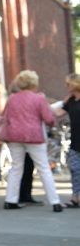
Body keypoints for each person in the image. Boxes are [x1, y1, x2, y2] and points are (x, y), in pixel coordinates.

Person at [2, 70, 63, 212]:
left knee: (16, 167)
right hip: (34, 137)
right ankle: (55, 202)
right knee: (43, 168)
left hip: (14, 136)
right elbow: (48, 119)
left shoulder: (11, 98)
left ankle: (10, 200)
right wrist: (52, 122)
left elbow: (6, 117)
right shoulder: (39, 99)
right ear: (34, 83)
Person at [8, 82, 40, 205]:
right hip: (27, 137)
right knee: (22, 167)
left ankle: (20, 196)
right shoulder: (18, 101)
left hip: (16, 138)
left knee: (22, 167)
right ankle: (21, 196)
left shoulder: (12, 100)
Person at [51, 73, 80, 208]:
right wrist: (63, 102)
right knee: (74, 169)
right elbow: (57, 113)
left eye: (68, 84)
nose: (66, 86)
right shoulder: (71, 101)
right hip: (75, 141)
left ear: (75, 84)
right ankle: (75, 198)